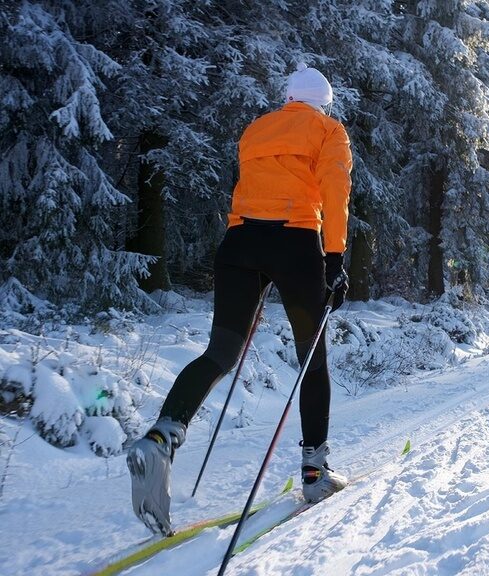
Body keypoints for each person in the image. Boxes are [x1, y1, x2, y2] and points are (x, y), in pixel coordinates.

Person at [126, 63, 353, 536]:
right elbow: (335, 190)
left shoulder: (256, 128)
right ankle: (315, 473)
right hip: (295, 243)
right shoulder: (329, 131)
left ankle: (162, 435)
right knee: (312, 357)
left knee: (220, 352)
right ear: (323, 102)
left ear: (289, 97)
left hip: (239, 244)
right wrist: (335, 257)